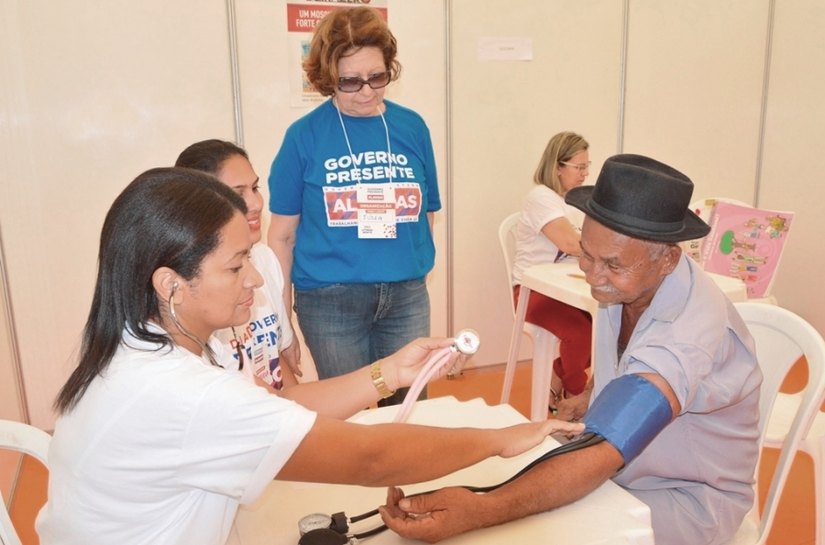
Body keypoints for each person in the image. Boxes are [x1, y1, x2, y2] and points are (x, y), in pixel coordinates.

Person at [35, 168, 581, 545]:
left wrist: (389, 371)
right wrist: (500, 439)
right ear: (170, 284)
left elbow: (283, 406)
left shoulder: (140, 345)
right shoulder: (180, 394)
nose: (253, 279)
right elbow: (372, 459)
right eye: (235, 266)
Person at [380, 154, 762, 545]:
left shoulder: (685, 334)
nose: (593, 276)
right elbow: (626, 368)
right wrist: (592, 394)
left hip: (685, 498)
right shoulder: (632, 283)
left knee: (530, 529)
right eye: (586, 254)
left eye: (612, 265)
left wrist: (484, 510)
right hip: (630, 472)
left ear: (667, 259)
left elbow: (602, 451)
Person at [267, 6, 440, 406]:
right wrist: (282, 320)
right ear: (327, 78)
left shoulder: (412, 127)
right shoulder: (303, 137)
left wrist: (413, 269)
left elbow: (426, 210)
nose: (366, 91)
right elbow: (282, 236)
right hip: (330, 300)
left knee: (409, 407)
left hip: (406, 295)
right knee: (352, 415)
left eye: (377, 77)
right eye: (350, 81)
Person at [175, 139, 300, 390]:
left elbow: (283, 373)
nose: (255, 204)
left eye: (255, 188)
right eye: (237, 193)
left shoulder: (264, 258)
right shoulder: (192, 288)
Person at [512, 131, 593, 417]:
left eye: (587, 166)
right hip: (533, 292)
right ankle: (578, 399)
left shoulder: (572, 200)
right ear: (557, 167)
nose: (585, 174)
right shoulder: (540, 197)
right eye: (579, 167)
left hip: (567, 291)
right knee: (580, 332)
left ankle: (557, 379)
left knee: (608, 328)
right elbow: (571, 244)